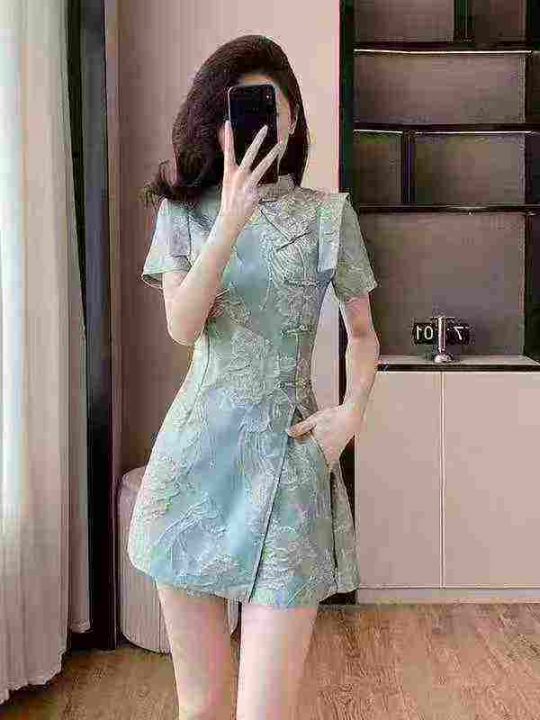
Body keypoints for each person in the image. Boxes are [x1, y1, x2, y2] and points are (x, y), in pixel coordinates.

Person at [127, 34, 380, 720]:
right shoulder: (184, 213)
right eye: (239, 107)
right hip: (193, 468)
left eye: (273, 104)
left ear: (292, 117)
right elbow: (184, 326)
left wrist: (351, 412)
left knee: (265, 711)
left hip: (290, 469)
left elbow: (363, 335)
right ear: (217, 121)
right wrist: (230, 221)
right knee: (203, 706)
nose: (261, 120)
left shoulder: (329, 216)